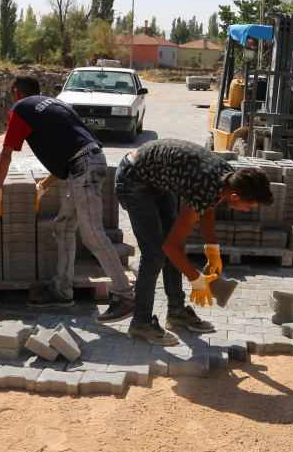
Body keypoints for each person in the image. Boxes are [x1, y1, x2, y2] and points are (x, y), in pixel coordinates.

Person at [0, 74, 135, 323]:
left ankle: (125, 296)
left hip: (84, 169)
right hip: (87, 163)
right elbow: (70, 147)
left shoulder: (20, 109)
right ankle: (62, 291)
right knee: (64, 227)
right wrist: (45, 185)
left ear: (16, 93)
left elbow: (6, 155)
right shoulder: (55, 104)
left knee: (92, 234)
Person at [115, 139, 273, 345]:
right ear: (234, 196)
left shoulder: (228, 177)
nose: (247, 210)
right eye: (248, 206)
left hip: (155, 180)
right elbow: (169, 246)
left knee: (176, 246)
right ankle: (140, 323)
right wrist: (196, 280)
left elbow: (206, 207)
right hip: (133, 180)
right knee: (155, 254)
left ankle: (176, 313)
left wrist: (212, 249)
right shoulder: (208, 185)